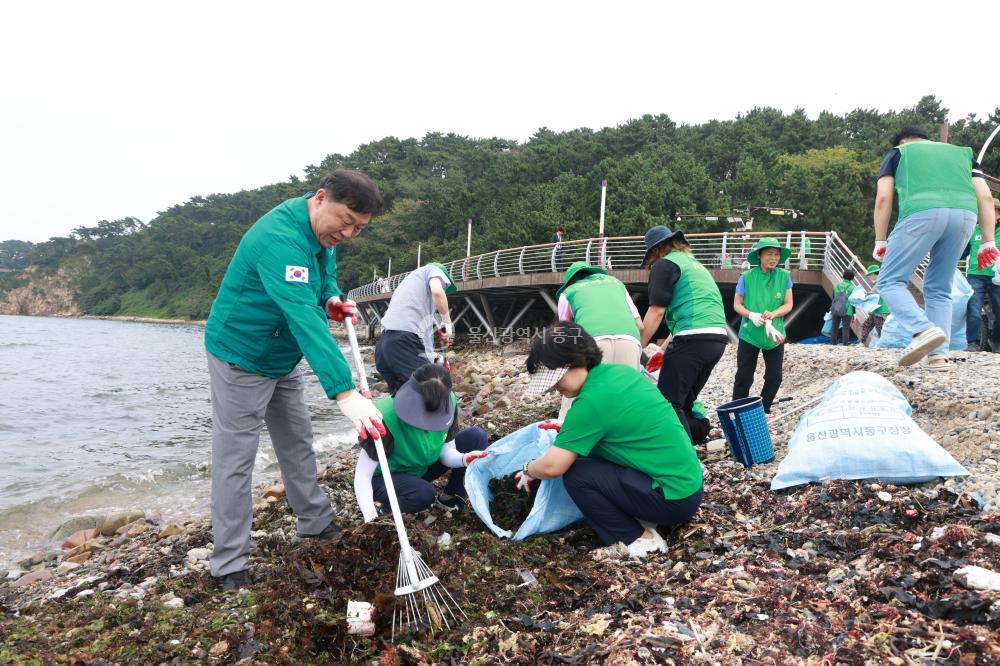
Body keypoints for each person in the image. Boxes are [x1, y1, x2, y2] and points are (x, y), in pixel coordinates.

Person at [204, 169, 386, 591]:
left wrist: (332, 299)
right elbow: (303, 317)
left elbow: (321, 282)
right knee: (236, 459)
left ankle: (316, 523)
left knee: (297, 440)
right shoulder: (279, 239)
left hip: (281, 357)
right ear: (320, 198)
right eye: (345, 221)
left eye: (359, 228)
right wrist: (345, 392)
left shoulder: (323, 234)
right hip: (241, 355)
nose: (348, 233)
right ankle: (229, 564)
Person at [515, 322, 703, 559]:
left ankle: (639, 539)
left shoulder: (591, 403)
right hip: (687, 486)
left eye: (555, 377)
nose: (553, 386)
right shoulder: (618, 373)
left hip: (672, 499)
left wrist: (528, 469)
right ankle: (641, 515)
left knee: (577, 475)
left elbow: (553, 466)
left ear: (574, 362)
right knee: (582, 456)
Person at [872, 126, 998, 369]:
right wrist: (988, 241)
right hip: (965, 217)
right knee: (939, 287)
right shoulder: (963, 154)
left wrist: (880, 239)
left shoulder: (898, 153)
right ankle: (938, 356)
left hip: (921, 213)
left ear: (903, 141)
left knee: (889, 281)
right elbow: (985, 197)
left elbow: (883, 198)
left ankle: (923, 330)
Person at [354, 364, 488, 518]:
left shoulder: (448, 401)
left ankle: (450, 497)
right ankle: (387, 512)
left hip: (421, 467)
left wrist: (464, 459)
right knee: (424, 494)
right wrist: (371, 519)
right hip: (385, 478)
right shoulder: (383, 417)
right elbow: (363, 476)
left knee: (476, 437)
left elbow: (446, 451)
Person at [639, 225, 728, 440]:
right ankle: (691, 441)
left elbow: (657, 311)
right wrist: (663, 349)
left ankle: (682, 458)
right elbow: (690, 309)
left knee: (669, 400)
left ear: (655, 250)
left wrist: (636, 343)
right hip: (717, 338)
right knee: (686, 399)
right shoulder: (693, 264)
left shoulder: (664, 264)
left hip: (693, 338)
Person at [554, 261, 643, 421]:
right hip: (630, 341)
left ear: (570, 280)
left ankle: (565, 433)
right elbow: (640, 325)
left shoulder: (568, 293)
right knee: (628, 398)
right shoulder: (617, 284)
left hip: (593, 343)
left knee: (577, 395)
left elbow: (566, 334)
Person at [732, 238, 793, 413]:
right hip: (750, 333)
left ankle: (763, 409)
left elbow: (788, 304)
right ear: (759, 255)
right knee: (744, 376)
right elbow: (737, 305)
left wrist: (773, 314)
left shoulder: (785, 276)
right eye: (769, 254)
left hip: (774, 334)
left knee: (775, 376)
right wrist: (751, 315)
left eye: (776, 255)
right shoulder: (746, 277)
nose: (773, 258)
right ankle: (738, 410)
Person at [375, 262, 457, 393]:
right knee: (430, 392)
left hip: (383, 347)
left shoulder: (407, 288)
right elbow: (437, 291)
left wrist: (436, 358)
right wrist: (447, 323)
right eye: (445, 287)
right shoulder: (433, 270)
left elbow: (416, 347)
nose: (444, 290)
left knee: (403, 395)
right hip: (403, 341)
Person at [965, 198, 1000, 352]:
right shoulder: (973, 229)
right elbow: (962, 251)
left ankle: (995, 339)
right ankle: (973, 343)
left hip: (997, 276)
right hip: (975, 275)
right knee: (973, 309)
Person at [860, 265, 890, 346]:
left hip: (880, 310)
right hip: (876, 310)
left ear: (874, 274)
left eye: (870, 275)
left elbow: (875, 292)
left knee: (880, 328)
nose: (869, 277)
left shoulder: (881, 282)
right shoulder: (881, 281)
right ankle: (862, 343)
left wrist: (866, 293)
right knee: (866, 325)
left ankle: (883, 345)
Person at [830, 268, 855, 346]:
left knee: (834, 328)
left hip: (836, 309)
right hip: (848, 310)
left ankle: (833, 344)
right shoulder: (852, 287)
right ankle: (845, 345)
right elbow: (853, 301)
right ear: (852, 277)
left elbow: (834, 298)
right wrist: (854, 313)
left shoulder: (836, 286)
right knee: (845, 329)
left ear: (843, 276)